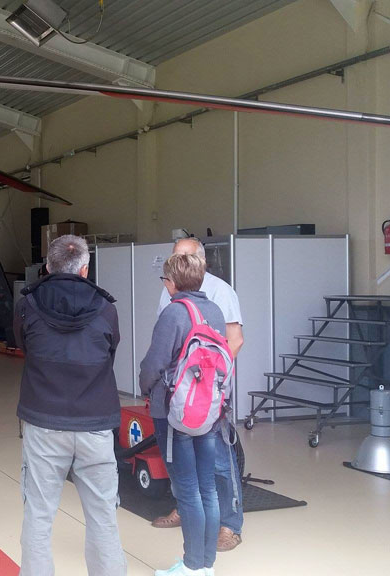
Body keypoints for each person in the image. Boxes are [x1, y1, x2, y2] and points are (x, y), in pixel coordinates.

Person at [13, 235, 127, 576]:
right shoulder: (106, 308)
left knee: (38, 513)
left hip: (43, 421)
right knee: (103, 516)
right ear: (85, 269)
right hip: (95, 421)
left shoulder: (27, 305)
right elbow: (110, 352)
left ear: (48, 267)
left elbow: (25, 348)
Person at [154, 237, 245, 553]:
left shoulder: (221, 291)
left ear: (202, 262)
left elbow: (235, 340)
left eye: (185, 257)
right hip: (175, 393)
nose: (176, 263)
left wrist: (208, 381)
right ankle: (186, 508)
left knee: (219, 459)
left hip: (208, 395)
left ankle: (230, 525)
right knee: (177, 456)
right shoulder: (168, 289)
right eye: (174, 257)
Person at [140, 253, 226, 576]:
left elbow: (154, 364)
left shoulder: (173, 313)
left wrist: (145, 387)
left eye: (165, 280)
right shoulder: (214, 311)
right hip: (209, 411)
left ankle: (191, 567)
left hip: (175, 413)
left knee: (187, 490)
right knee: (208, 488)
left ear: (173, 283)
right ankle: (205, 565)